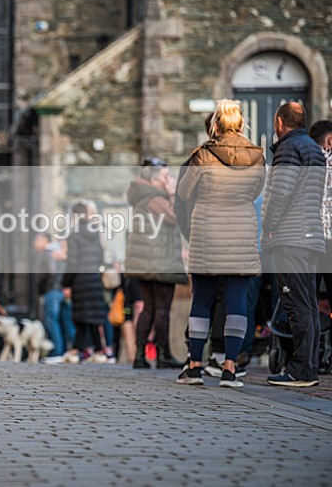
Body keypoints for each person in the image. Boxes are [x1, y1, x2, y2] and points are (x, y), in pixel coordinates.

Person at [176, 99, 265, 387]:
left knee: (201, 300)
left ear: (216, 123)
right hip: (240, 231)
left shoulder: (203, 154)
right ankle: (229, 369)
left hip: (207, 232)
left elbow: (184, 191)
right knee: (236, 302)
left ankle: (194, 366)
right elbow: (256, 191)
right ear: (240, 123)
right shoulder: (257, 155)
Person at [263, 102, 325, 387]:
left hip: (291, 237)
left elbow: (281, 192)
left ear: (279, 122)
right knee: (309, 304)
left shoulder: (288, 148)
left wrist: (269, 226)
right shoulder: (314, 148)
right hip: (312, 236)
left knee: (296, 303)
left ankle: (299, 369)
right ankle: (308, 367)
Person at [125, 158, 188, 369]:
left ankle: (141, 355)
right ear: (153, 180)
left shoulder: (143, 197)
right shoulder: (155, 199)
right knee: (161, 308)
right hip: (159, 262)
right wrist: (172, 193)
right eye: (165, 177)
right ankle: (163, 354)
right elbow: (175, 217)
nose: (169, 180)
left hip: (146, 262)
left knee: (150, 308)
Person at [62, 202, 111, 363]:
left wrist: (66, 282)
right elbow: (100, 257)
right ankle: (97, 350)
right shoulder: (95, 233)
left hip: (80, 280)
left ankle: (78, 350)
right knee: (92, 317)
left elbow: (72, 262)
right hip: (94, 277)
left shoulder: (74, 235)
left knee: (82, 316)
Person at [34, 233, 69, 360]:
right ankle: (64, 350)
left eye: (37, 239)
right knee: (62, 321)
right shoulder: (56, 252)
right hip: (59, 289)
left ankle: (57, 351)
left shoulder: (48, 252)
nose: (34, 243)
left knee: (51, 321)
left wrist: (42, 287)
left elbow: (49, 272)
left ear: (44, 240)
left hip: (52, 290)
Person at [310, 120, 332, 309]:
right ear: (330, 141)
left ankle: (312, 338)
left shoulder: (305, 162)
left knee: (309, 299)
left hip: (310, 240)